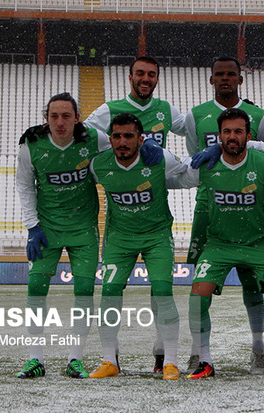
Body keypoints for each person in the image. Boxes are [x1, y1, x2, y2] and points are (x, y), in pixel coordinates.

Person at [85, 55, 186, 372]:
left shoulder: (166, 111)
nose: (145, 78)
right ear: (130, 77)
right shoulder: (108, 111)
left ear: (157, 78)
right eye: (140, 73)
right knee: (110, 290)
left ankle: (164, 357)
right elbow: (86, 135)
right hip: (120, 230)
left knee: (162, 290)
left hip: (156, 220)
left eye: (151, 74)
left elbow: (193, 134)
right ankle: (109, 358)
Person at [184, 108, 264, 380]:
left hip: (258, 243)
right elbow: (173, 175)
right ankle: (205, 360)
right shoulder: (207, 165)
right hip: (219, 244)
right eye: (227, 131)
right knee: (197, 298)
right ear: (219, 135)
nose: (232, 136)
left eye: (238, 131)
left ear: (248, 135)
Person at [183, 56, 264, 374]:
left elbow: (263, 160)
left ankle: (259, 350)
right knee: (199, 285)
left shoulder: (260, 118)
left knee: (253, 284)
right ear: (211, 79)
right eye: (218, 74)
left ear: (240, 79)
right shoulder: (196, 117)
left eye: (230, 74)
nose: (225, 79)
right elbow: (196, 161)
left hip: (249, 210)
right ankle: (197, 352)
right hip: (208, 209)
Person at [15, 92, 111, 379]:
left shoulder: (94, 139)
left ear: (77, 118)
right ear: (46, 119)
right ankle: (35, 359)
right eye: (54, 116)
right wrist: (32, 227)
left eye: (66, 116)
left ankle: (75, 358)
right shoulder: (31, 145)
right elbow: (25, 186)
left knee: (83, 293)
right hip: (47, 229)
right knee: (35, 289)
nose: (60, 122)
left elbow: (122, 148)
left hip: (84, 229)